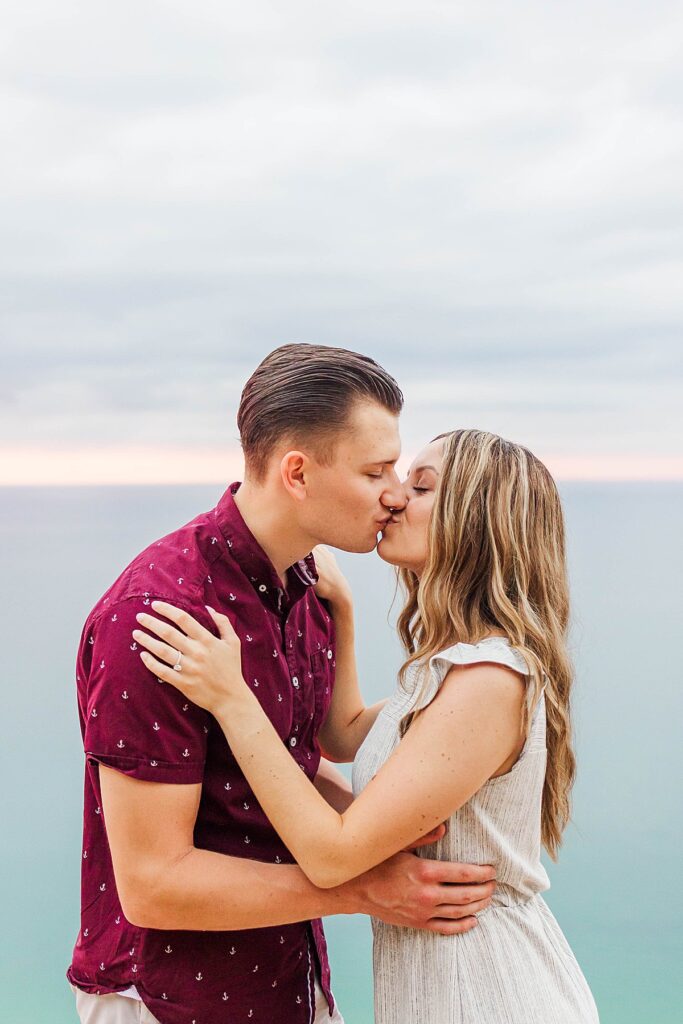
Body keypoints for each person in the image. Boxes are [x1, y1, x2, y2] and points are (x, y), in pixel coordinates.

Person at [67, 345, 496, 1024]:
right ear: (297, 473)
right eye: (375, 471)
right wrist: (362, 889)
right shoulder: (161, 618)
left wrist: (384, 823)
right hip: (167, 999)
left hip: (291, 981)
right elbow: (153, 885)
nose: (393, 493)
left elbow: (289, 758)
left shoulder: (307, 590)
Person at [136, 428, 601, 1023]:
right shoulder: (454, 666)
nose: (396, 497)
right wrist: (343, 611)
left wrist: (231, 698)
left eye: (421, 487)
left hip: (488, 989)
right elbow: (344, 734)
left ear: (475, 523)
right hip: (453, 981)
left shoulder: (488, 680)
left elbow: (332, 857)